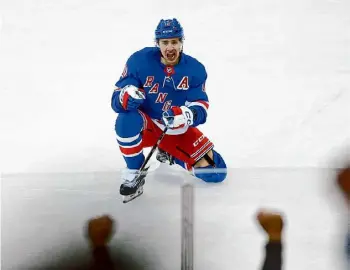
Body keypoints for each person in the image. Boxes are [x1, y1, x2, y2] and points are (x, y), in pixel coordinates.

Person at [111, 18, 227, 203]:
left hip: (174, 128)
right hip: (146, 125)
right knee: (125, 119)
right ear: (157, 43)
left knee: (216, 171)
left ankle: (170, 153)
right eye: (165, 42)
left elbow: (201, 106)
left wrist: (188, 115)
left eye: (174, 41)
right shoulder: (139, 60)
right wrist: (125, 97)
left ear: (181, 43)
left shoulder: (195, 69)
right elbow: (116, 100)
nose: (170, 47)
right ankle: (134, 171)